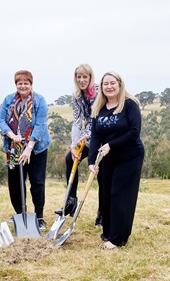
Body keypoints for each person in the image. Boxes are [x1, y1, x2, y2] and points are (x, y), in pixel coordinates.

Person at [88, 71, 144, 250]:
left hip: (129, 155)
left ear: (120, 85)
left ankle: (118, 239)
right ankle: (109, 232)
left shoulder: (129, 105)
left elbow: (134, 132)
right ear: (101, 87)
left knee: (119, 195)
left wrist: (111, 145)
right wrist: (91, 161)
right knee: (105, 195)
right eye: (105, 84)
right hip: (106, 158)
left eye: (113, 83)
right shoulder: (99, 108)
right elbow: (95, 135)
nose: (109, 87)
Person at [0, 70, 51, 230]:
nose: (23, 86)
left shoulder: (39, 100)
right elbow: (1, 120)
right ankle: (20, 215)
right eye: (19, 83)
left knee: (37, 183)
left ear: (31, 84)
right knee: (15, 184)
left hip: (36, 149)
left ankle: (39, 217)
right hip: (14, 149)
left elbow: (40, 125)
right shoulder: (8, 100)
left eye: (26, 83)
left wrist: (29, 147)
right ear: (16, 84)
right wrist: (11, 135)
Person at [53, 64, 103, 227]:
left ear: (90, 77)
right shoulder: (75, 96)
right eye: (78, 77)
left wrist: (86, 136)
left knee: (100, 174)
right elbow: (76, 121)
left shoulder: (98, 92)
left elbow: (95, 118)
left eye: (84, 77)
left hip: (101, 136)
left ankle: (102, 214)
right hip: (87, 138)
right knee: (70, 159)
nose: (81, 80)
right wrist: (74, 145)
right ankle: (71, 201)